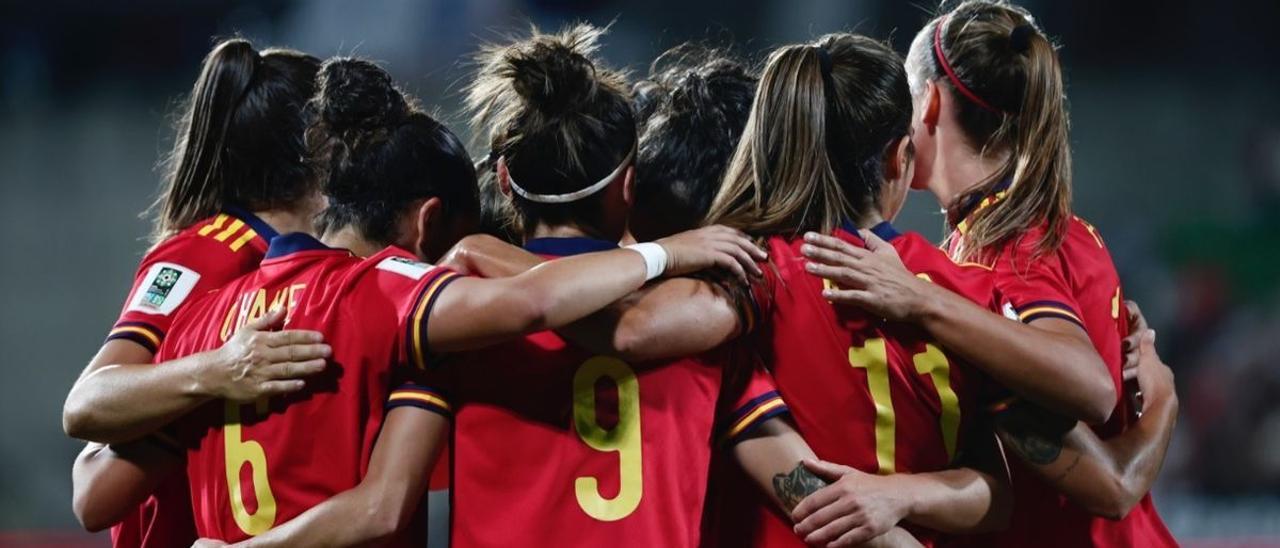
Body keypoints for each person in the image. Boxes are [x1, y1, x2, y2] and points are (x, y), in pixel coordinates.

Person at [152, 55, 759, 547]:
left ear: (503, 181)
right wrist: (669, 254)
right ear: (628, 187)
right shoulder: (705, 309)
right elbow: (382, 508)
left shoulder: (201, 318)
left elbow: (97, 485)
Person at [796, 2, 1177, 546]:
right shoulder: (1063, 229)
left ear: (927, 102)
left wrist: (1165, 402)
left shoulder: (995, 251)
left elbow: (1095, 410)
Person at [688, 32, 1011, 548]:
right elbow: (999, 497)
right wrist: (908, 494)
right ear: (897, 155)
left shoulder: (746, 274)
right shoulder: (970, 292)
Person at [62, 38, 332, 548]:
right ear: (319, 144)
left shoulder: (327, 267)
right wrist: (221, 370)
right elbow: (86, 404)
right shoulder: (207, 253)